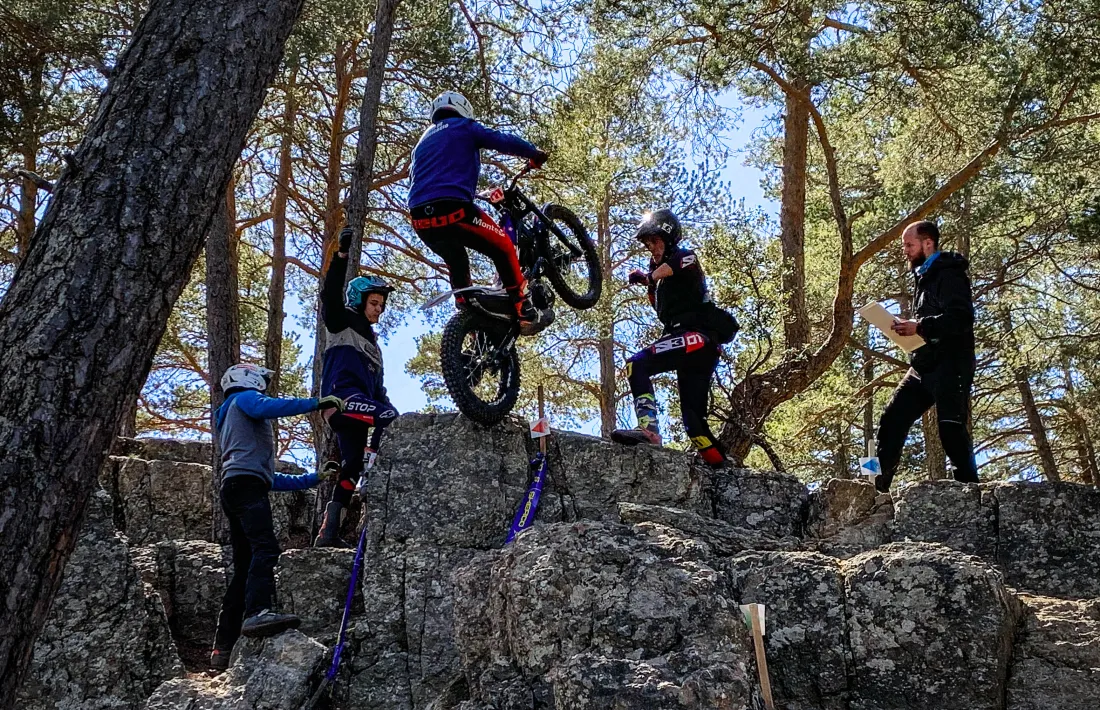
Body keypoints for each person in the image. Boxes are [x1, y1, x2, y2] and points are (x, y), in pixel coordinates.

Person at [210, 363, 343, 671]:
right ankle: (258, 612)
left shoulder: (236, 423)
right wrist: (316, 402)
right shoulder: (243, 399)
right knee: (265, 548)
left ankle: (222, 647)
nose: (263, 388)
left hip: (237, 486)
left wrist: (314, 478)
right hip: (245, 487)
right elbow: (270, 407)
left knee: (244, 566)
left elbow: (269, 478)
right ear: (248, 379)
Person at [407, 90, 551, 335]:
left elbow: (421, 179)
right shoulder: (464, 126)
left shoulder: (421, 143)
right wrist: (532, 153)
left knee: (456, 259)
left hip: (421, 219)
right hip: (454, 209)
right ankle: (523, 307)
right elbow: (502, 140)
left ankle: (467, 314)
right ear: (462, 109)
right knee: (503, 247)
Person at [610, 209, 737, 468]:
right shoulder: (660, 280)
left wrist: (649, 277)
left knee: (637, 364)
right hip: (695, 349)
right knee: (693, 423)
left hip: (696, 338)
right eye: (647, 244)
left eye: (654, 241)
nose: (651, 248)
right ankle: (722, 467)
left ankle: (648, 431)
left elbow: (670, 267)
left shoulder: (686, 258)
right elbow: (659, 303)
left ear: (668, 237)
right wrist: (649, 283)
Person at [873, 220, 978, 492]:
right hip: (923, 367)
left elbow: (962, 318)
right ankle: (872, 485)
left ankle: (971, 494)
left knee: (950, 428)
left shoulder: (949, 273)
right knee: (889, 420)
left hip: (952, 364)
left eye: (909, 245)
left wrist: (920, 326)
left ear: (927, 243)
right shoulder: (923, 275)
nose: (905, 251)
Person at [314, 226, 399, 547]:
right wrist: (341, 256)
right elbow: (329, 294)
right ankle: (374, 466)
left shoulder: (373, 347)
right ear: (359, 301)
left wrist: (385, 406)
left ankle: (328, 534)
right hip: (342, 400)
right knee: (389, 418)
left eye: (381, 304)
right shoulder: (342, 321)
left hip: (358, 405)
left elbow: (378, 393)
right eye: (374, 302)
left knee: (350, 467)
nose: (379, 308)